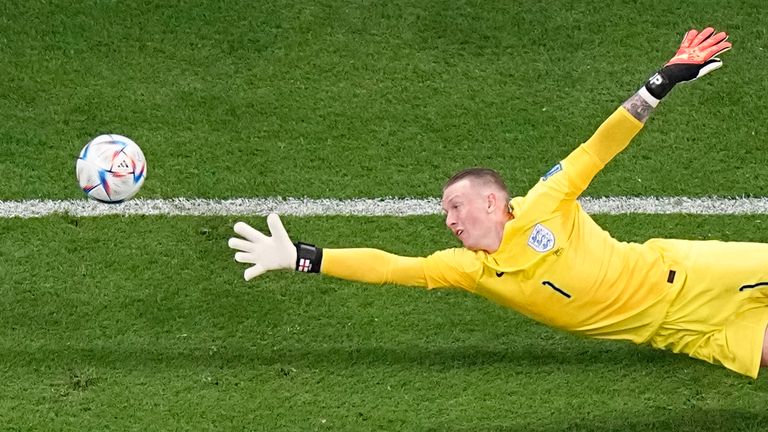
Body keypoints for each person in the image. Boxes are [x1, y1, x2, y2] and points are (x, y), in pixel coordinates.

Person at [228, 28, 768, 378]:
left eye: (455, 207)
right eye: (445, 213)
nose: (449, 220)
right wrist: (305, 256)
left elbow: (600, 146)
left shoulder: (546, 202)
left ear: (492, 201)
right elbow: (394, 268)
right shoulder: (472, 271)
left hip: (691, 274)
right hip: (680, 332)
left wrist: (659, 83)